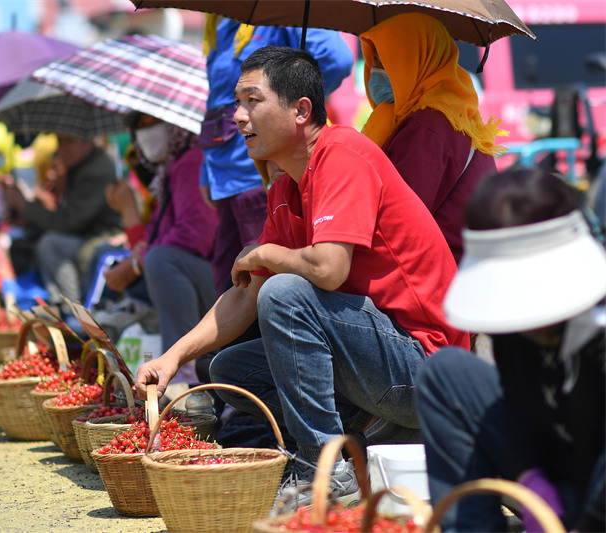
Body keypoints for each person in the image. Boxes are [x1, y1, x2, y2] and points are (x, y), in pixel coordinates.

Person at [134, 46, 467, 510]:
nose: (238, 116)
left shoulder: (343, 153)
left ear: (301, 110)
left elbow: (329, 269)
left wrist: (268, 252)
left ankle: (323, 469)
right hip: (380, 364)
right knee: (227, 367)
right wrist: (171, 359)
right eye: (237, 102)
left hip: (426, 369)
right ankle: (370, 434)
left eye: (252, 101)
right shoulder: (286, 185)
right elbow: (243, 296)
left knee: (285, 292)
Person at [415, 168, 605, 533]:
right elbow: (523, 410)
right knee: (446, 374)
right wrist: (531, 479)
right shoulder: (515, 321)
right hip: (562, 467)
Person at [199, 17, 354, 292]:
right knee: (232, 284)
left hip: (264, 175)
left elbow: (336, 59)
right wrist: (207, 170)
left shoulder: (279, 11)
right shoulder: (222, 23)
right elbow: (218, 100)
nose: (239, 114)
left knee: (267, 289)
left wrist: (286, 125)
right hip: (227, 174)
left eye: (252, 100)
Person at [359, 13, 505, 263]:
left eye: (389, 61)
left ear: (419, 61)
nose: (376, 72)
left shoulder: (428, 124)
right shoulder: (449, 107)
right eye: (375, 61)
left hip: (449, 273)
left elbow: (395, 219)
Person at [97, 111, 219, 387]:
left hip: (221, 287)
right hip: (198, 280)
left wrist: (138, 263)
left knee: (160, 261)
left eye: (153, 122)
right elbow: (151, 244)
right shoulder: (170, 170)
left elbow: (196, 235)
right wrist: (129, 209)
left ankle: (182, 374)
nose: (145, 132)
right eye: (139, 126)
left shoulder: (190, 162)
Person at [6, 133, 122, 309]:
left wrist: (25, 206)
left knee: (51, 244)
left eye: (70, 141)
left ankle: (73, 308)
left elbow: (70, 222)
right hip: (89, 233)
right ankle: (60, 304)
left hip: (104, 236)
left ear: (87, 140)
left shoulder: (95, 169)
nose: (63, 149)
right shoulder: (81, 164)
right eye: (60, 143)